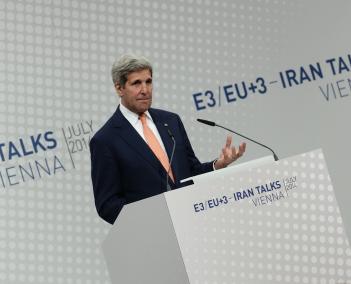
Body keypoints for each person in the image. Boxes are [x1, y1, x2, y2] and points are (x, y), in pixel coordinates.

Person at [90, 54, 246, 224]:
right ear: (119, 88)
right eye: (136, 83)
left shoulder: (170, 121)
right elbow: (108, 205)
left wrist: (217, 165)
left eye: (148, 82)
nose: (145, 90)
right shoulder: (105, 140)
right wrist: (151, 220)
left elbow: (190, 172)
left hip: (193, 223)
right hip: (153, 236)